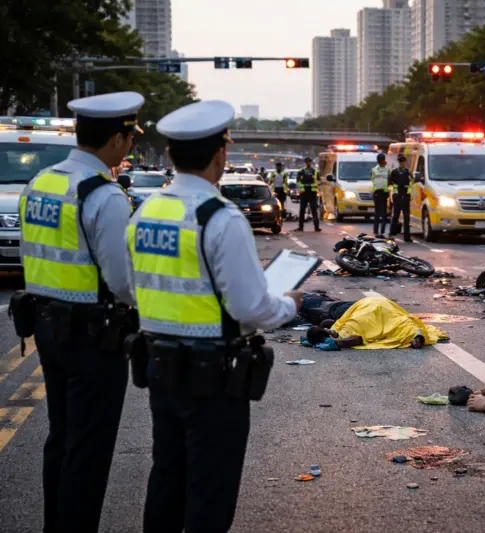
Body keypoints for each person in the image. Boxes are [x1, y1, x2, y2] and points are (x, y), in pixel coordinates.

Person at [124, 100, 303, 533]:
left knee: (166, 479)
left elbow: (134, 289)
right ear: (221, 154)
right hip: (214, 376)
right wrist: (291, 304)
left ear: (168, 155)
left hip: (161, 368)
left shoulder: (145, 212)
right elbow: (250, 308)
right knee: (210, 491)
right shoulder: (220, 218)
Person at [15, 92, 144, 532]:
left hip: (46, 325)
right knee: (88, 449)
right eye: (129, 136)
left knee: (63, 438)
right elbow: (122, 281)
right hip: (92, 335)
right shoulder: (104, 195)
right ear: (114, 139)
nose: (130, 145)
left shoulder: (42, 182)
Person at [304, 296, 446, 349]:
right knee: (398, 322)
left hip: (370, 310)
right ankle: (415, 335)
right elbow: (329, 322)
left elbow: (356, 339)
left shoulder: (341, 333)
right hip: (370, 303)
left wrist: (337, 343)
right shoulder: (338, 326)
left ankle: (415, 335)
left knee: (397, 324)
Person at [388, 154, 413, 242]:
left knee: (406, 218)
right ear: (399, 162)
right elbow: (389, 182)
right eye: (400, 162)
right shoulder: (394, 172)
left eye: (403, 162)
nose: (402, 163)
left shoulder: (408, 172)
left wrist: (410, 195)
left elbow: (412, 182)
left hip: (406, 196)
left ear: (405, 162)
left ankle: (407, 237)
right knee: (396, 216)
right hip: (397, 196)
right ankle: (392, 234)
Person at [296, 156, 320, 232]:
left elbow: (319, 181)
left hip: (312, 193)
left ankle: (316, 227)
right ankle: (300, 227)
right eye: (306, 162)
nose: (308, 163)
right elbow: (298, 182)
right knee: (302, 210)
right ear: (305, 163)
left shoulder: (315, 171)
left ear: (311, 162)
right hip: (304, 193)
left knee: (314, 210)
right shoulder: (301, 171)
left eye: (309, 162)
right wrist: (301, 188)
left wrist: (314, 183)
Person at [371, 153, 390, 236]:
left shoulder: (388, 170)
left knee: (383, 214)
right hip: (377, 192)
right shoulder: (373, 170)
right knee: (377, 213)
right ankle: (376, 231)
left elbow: (390, 180)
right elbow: (372, 180)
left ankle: (382, 231)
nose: (381, 161)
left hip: (384, 193)